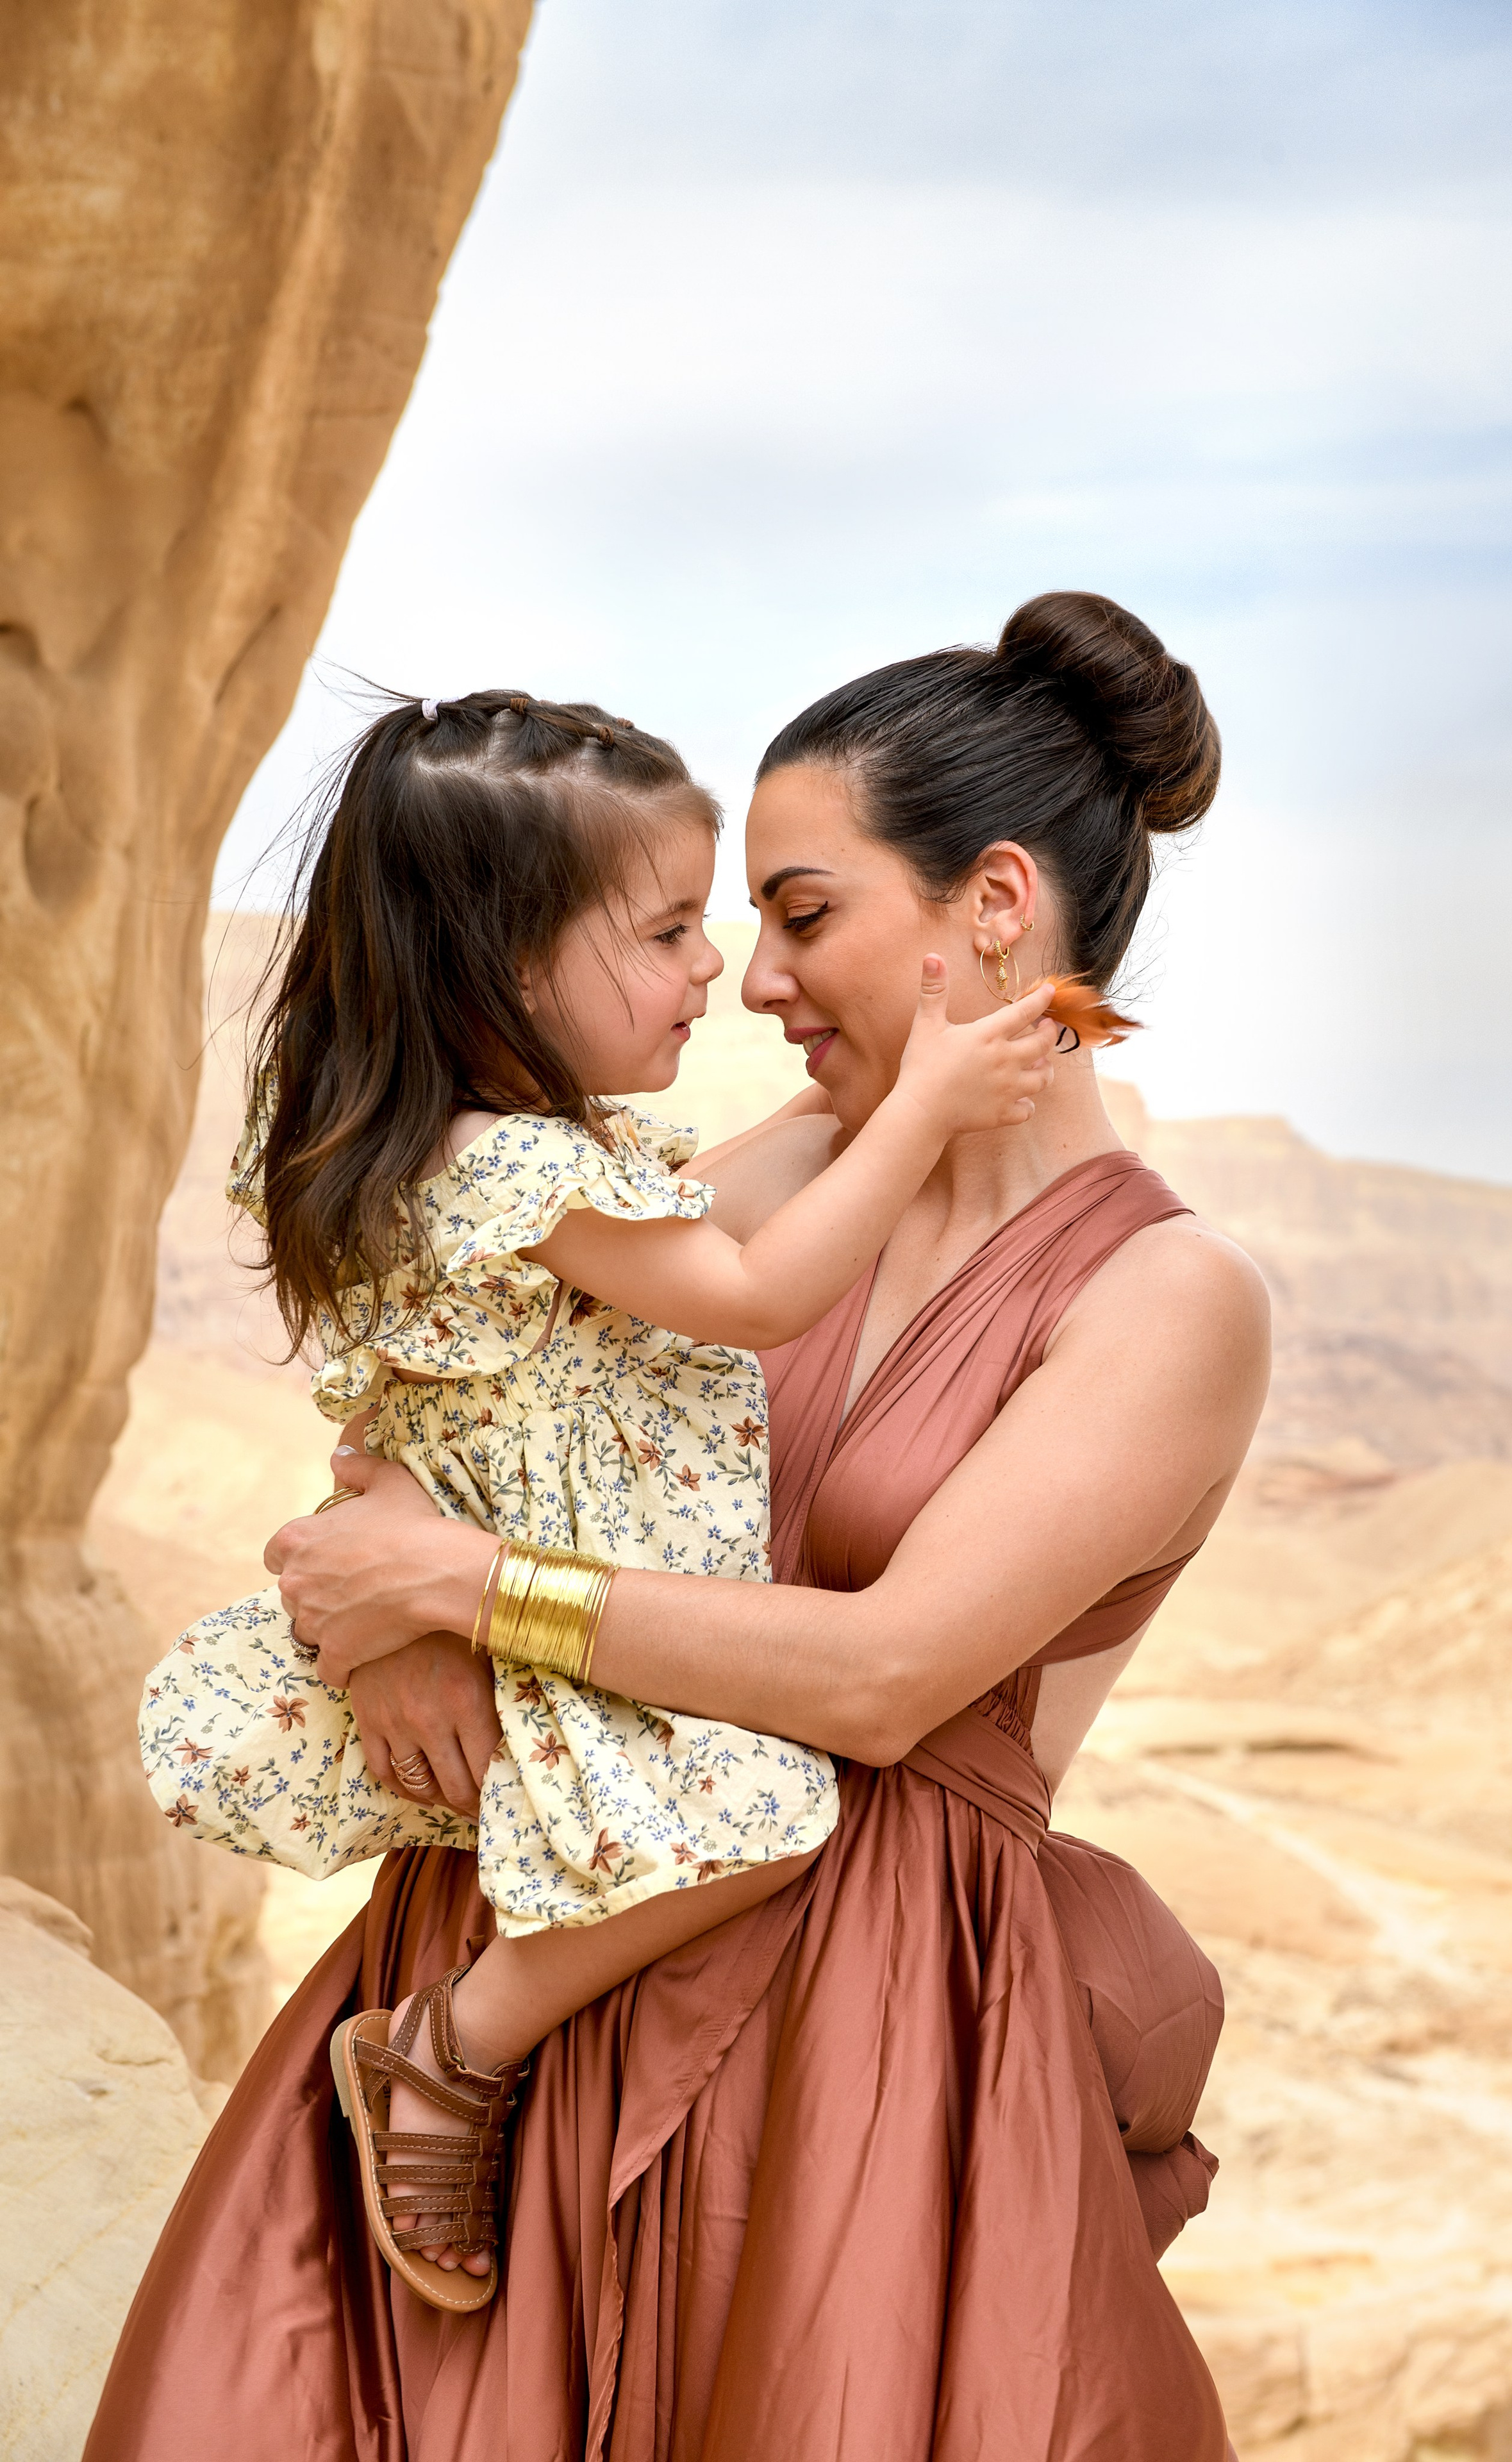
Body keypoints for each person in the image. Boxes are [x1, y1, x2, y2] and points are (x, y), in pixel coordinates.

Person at [88, 590, 1270, 2462]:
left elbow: (884, 1682)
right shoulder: (771, 1180)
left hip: (862, 2025)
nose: (753, 976)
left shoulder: (1167, 1299)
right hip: (540, 1942)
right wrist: (381, 1589)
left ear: (995, 908)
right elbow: (468, 1402)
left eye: (803, 914)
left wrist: (466, 1589)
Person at [137, 685, 1057, 2306]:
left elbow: (730, 1192)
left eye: (751, 922)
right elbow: (757, 1288)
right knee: (763, 1825)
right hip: (559, 1627)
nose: (722, 972)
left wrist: (880, 1079)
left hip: (514, 1602)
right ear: (506, 966)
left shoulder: (507, 1153)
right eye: (669, 932)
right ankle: (450, 2048)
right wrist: (916, 1105)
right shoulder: (518, 1170)